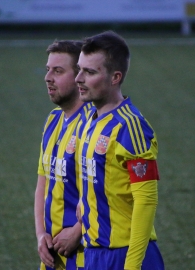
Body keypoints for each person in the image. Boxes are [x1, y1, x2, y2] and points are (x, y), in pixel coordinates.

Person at [75, 31, 165, 270]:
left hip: (126, 255)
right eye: (79, 69)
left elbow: (146, 201)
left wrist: (132, 265)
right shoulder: (89, 120)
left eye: (90, 72)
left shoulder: (130, 126)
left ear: (115, 77)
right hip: (95, 255)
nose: (78, 79)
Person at [34, 40, 94, 270]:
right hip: (53, 256)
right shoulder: (53, 120)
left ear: (80, 77)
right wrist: (41, 235)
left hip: (85, 254)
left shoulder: (93, 124)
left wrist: (78, 231)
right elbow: (43, 184)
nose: (48, 77)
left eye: (58, 71)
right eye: (48, 69)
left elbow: (106, 191)